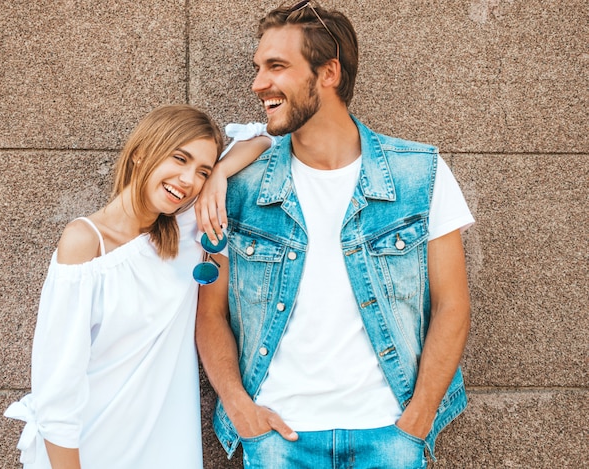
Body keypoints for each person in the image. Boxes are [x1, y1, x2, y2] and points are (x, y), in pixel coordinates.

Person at [195, 2, 475, 468]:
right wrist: (240, 409)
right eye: (258, 67)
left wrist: (419, 417)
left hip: (390, 433)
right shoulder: (239, 187)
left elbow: (453, 304)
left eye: (276, 67)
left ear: (328, 72)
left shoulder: (418, 175)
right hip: (276, 437)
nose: (257, 83)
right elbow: (211, 313)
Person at [4, 104, 264, 469]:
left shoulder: (189, 230)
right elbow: (56, 392)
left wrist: (220, 173)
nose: (189, 180)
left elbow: (265, 137)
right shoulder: (86, 242)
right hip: (87, 452)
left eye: (200, 171)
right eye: (179, 158)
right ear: (141, 154)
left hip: (163, 451)